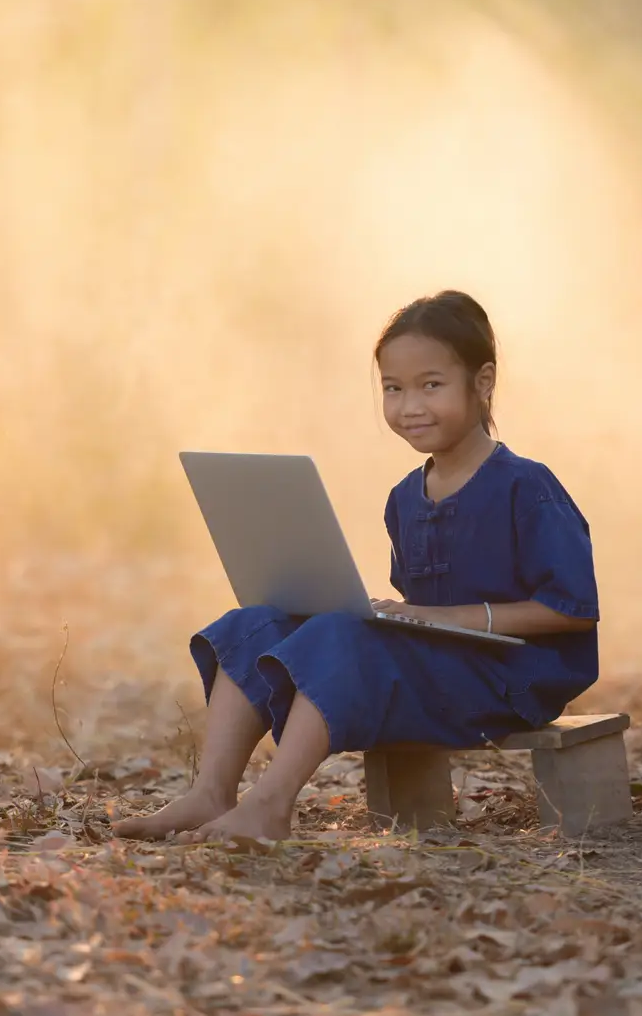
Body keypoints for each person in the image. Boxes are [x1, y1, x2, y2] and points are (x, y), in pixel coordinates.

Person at [113, 290, 600, 843]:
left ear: (482, 382)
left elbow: (573, 611)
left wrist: (450, 621)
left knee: (343, 637)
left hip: (507, 682)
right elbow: (418, 614)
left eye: (431, 385)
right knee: (250, 625)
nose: (409, 406)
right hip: (438, 667)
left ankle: (271, 803)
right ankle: (212, 792)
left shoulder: (526, 487)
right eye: (393, 389)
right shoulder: (405, 498)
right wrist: (395, 618)